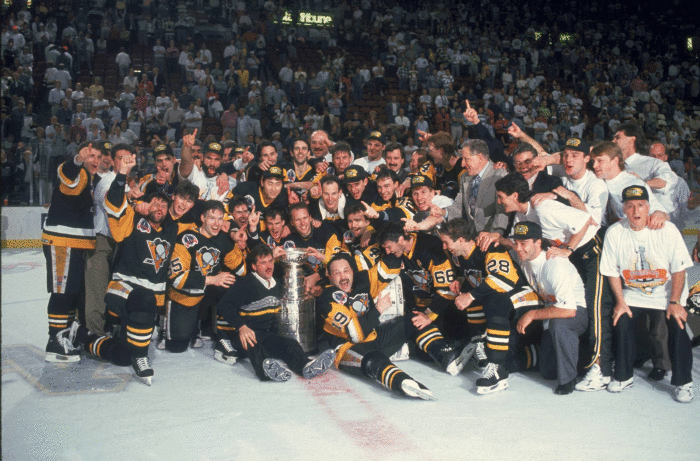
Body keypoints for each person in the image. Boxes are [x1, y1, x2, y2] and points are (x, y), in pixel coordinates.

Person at [315, 254, 467, 400]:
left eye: (346, 271)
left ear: (352, 271)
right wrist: (378, 310)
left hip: (375, 338)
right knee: (372, 360)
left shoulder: (362, 280)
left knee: (414, 318)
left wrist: (397, 246)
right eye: (337, 273)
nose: (343, 277)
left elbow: (388, 269)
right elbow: (355, 334)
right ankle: (401, 381)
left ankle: (446, 356)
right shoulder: (326, 299)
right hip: (348, 350)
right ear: (329, 276)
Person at [599, 186, 694, 403]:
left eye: (640, 205)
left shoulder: (666, 230)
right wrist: (620, 302)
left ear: (649, 207)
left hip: (667, 293)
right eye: (630, 206)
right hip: (633, 292)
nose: (635, 211)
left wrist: (675, 302)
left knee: (678, 326)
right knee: (621, 319)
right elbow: (611, 271)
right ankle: (623, 376)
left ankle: (684, 382)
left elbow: (679, 269)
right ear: (623, 209)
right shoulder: (615, 232)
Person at [439, 219, 542, 393]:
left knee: (486, 298)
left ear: (461, 239)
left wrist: (470, 295)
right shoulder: (458, 257)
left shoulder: (490, 248)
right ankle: (480, 342)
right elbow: (475, 277)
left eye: (446, 242)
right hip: (505, 303)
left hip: (526, 297)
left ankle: (498, 371)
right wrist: (461, 280)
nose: (444, 247)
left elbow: (504, 279)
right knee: (471, 293)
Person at [215, 244, 334, 382]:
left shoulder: (276, 283)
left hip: (263, 334)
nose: (268, 266)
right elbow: (224, 305)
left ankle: (305, 366)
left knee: (291, 344)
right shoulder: (246, 284)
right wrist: (241, 328)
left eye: (270, 261)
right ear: (254, 266)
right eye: (263, 263)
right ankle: (266, 371)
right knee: (254, 346)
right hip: (240, 335)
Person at [42, 142, 102, 363]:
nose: (94, 160)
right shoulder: (78, 174)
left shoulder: (93, 180)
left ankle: (65, 336)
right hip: (62, 242)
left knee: (72, 293)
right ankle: (55, 343)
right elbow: (67, 177)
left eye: (98, 156)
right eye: (91, 155)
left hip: (76, 244)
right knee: (62, 293)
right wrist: (77, 159)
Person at [513, 221, 589, 395]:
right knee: (548, 372)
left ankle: (569, 380)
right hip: (552, 313)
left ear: (538, 243)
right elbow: (509, 245)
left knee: (559, 325)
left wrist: (532, 314)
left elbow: (569, 310)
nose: (518, 248)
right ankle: (577, 356)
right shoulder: (526, 259)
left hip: (575, 314)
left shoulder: (554, 264)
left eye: (523, 243)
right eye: (516, 243)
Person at [166, 201, 245, 356]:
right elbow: (177, 278)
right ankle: (169, 325)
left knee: (232, 285)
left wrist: (235, 242)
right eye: (212, 218)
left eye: (220, 219)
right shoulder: (185, 238)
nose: (216, 224)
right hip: (186, 295)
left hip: (208, 293)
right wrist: (212, 279)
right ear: (202, 218)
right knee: (177, 347)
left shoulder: (224, 239)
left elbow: (241, 271)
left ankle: (218, 331)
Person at [446, 139, 508, 238]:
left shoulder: (500, 174)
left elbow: (502, 211)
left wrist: (494, 235)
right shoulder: (464, 177)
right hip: (473, 238)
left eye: (466, 159)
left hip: (493, 240)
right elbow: (459, 206)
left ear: (479, 157)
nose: (462, 164)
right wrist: (443, 213)